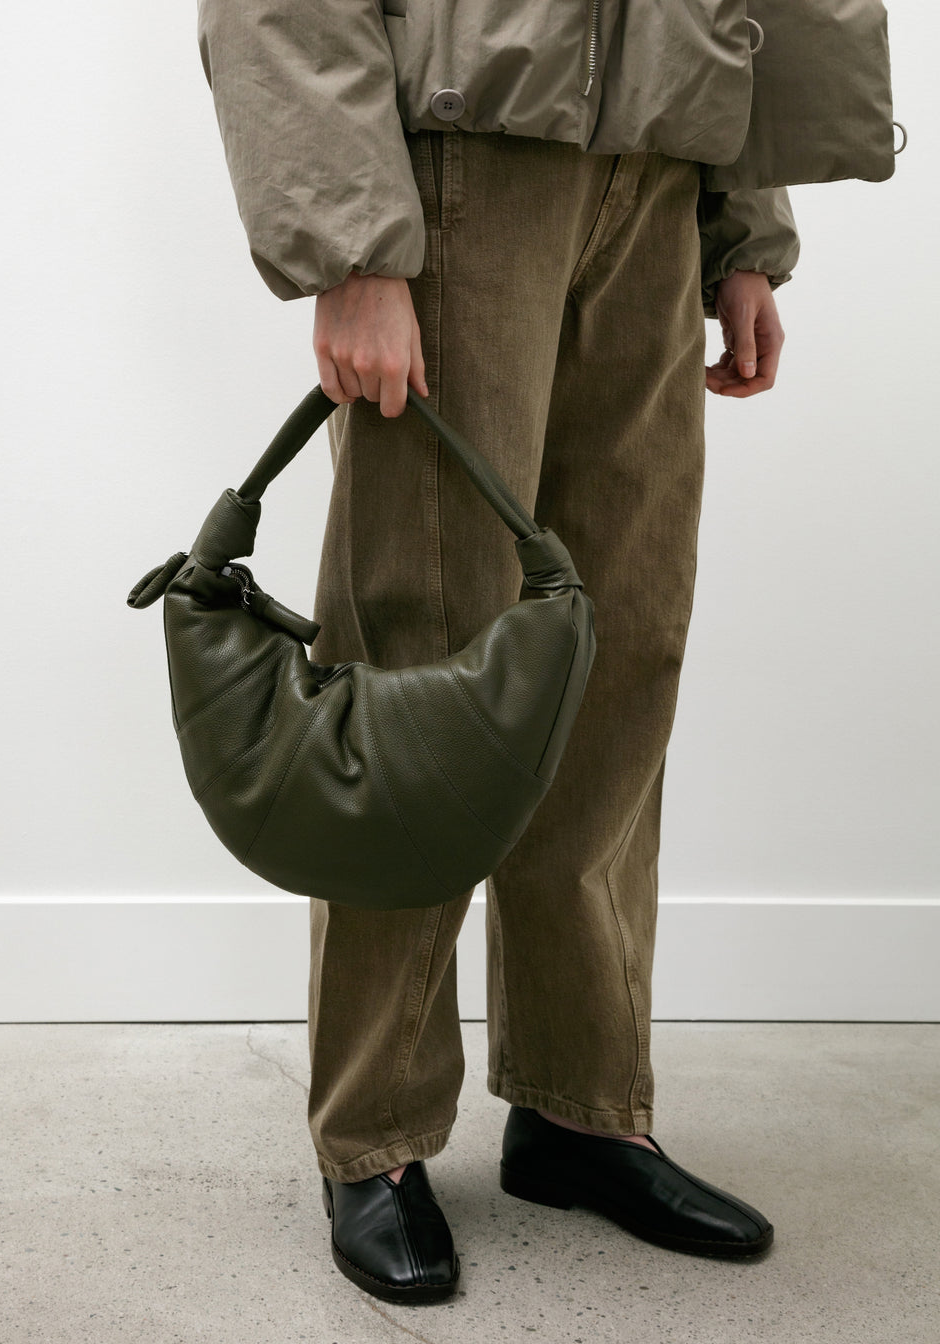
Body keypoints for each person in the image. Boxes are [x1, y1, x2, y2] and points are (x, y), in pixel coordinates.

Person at [195, 0, 897, 1307]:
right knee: (420, 661)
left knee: (619, 651)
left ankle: (582, 1109)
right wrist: (352, 247)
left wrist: (744, 228)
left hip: (663, 168)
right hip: (462, 165)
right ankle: (374, 1136)